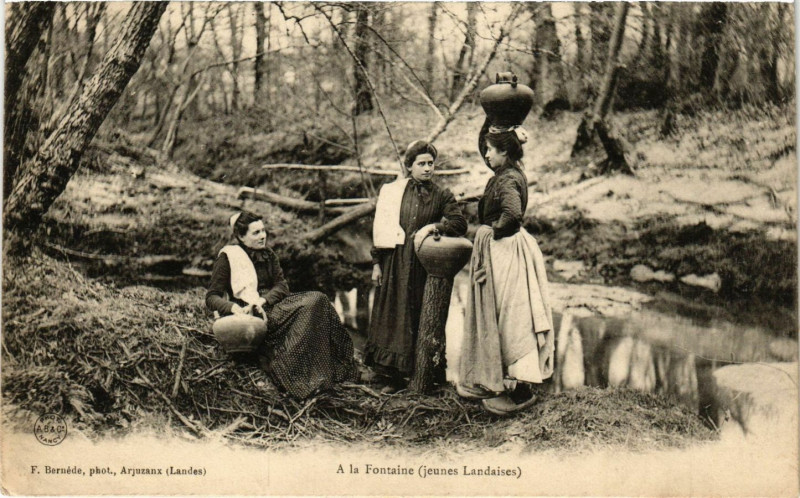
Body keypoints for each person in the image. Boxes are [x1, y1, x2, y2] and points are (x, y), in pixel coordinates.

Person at [206, 211, 358, 399]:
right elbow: (211, 297)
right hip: (250, 313)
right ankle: (291, 374)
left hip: (270, 304)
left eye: (263, 231)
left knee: (319, 300)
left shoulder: (268, 255)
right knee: (312, 304)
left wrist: (264, 299)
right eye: (256, 233)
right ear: (241, 236)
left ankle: (329, 371)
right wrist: (233, 308)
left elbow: (282, 285)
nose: (263, 236)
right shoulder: (229, 257)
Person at [458, 124, 555, 415]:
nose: (486, 154)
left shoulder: (508, 179)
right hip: (504, 250)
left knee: (515, 317)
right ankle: (496, 379)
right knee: (501, 312)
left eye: (490, 149)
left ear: (504, 151)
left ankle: (522, 391)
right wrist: (477, 199)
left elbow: (512, 215)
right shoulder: (505, 174)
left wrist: (491, 232)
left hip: (507, 252)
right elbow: (502, 201)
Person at [366, 140, 467, 393]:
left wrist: (434, 227)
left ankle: (416, 374)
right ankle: (387, 375)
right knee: (390, 313)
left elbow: (459, 223)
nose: (427, 168)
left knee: (414, 314)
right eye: (421, 164)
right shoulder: (394, 192)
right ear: (409, 166)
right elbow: (380, 228)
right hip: (393, 262)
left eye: (430, 163)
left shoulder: (441, 194)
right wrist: (377, 263)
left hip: (420, 265)